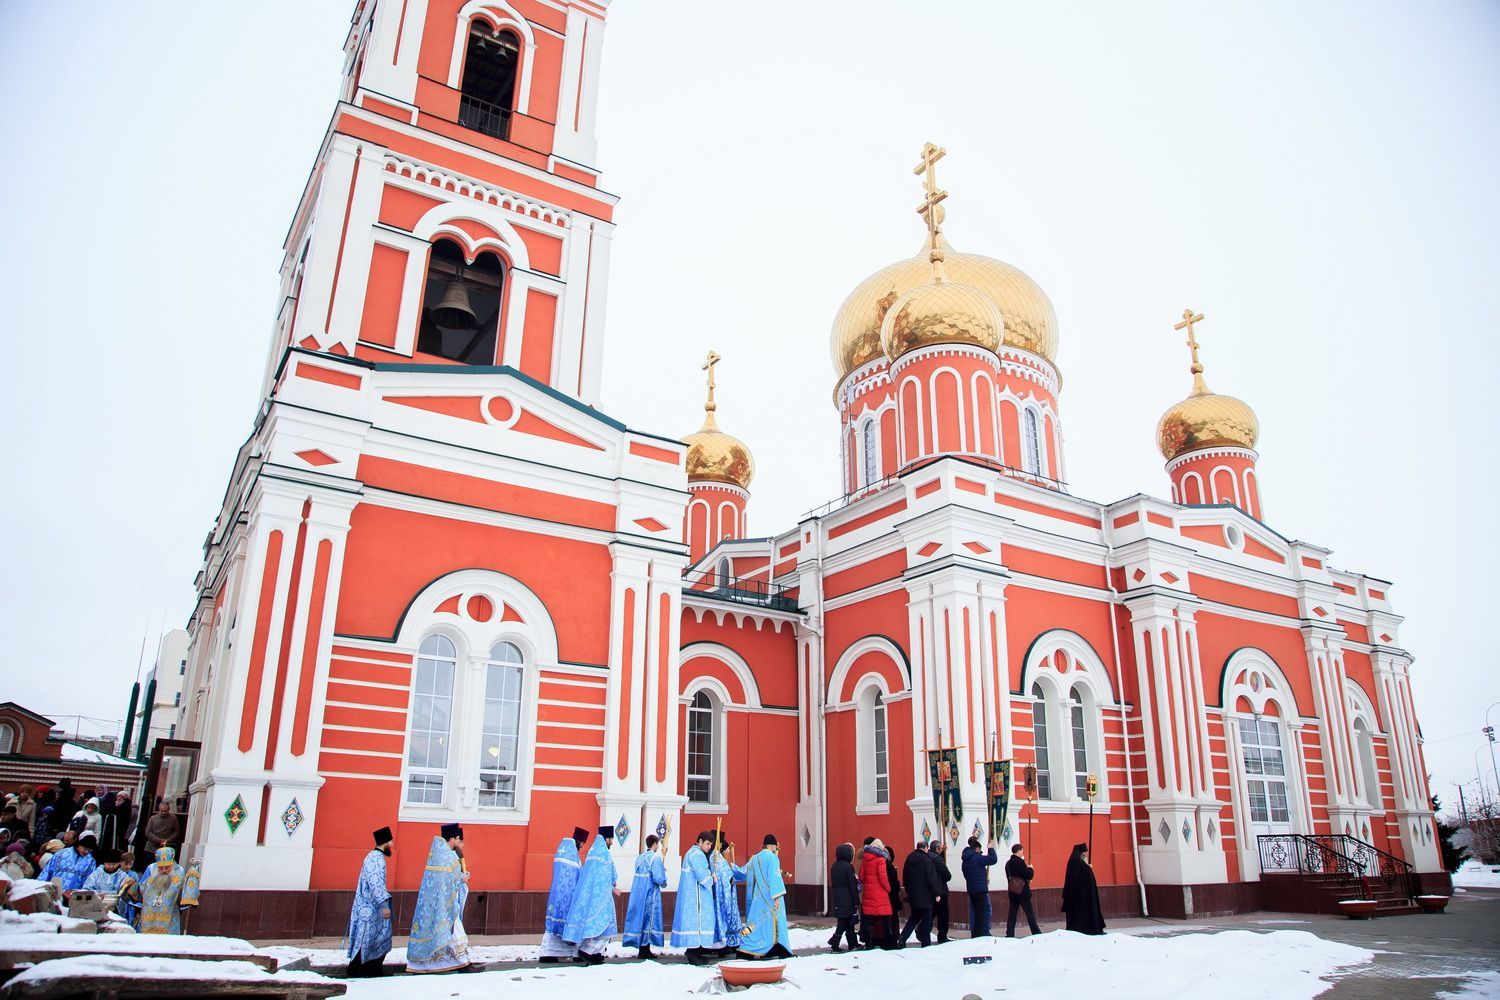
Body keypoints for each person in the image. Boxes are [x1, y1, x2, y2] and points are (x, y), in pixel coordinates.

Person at [406, 823, 470, 972]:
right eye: (458, 838)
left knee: (439, 932)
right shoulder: (449, 856)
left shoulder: (437, 853)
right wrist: (463, 878)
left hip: (432, 902)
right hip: (445, 903)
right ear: (452, 838)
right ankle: (461, 962)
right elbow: (453, 878)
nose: (459, 841)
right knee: (455, 932)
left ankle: (429, 963)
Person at [562, 825, 620, 964]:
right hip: (601, 898)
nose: (612, 841)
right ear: (607, 839)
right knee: (604, 925)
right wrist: (613, 886)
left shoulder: (592, 853)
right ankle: (588, 951)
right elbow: (610, 874)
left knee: (590, 926)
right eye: (611, 839)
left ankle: (591, 953)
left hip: (588, 897)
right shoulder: (604, 854)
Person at [346, 826, 395, 978]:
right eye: (391, 841)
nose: (392, 844)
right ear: (385, 842)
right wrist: (384, 905)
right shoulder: (375, 859)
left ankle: (370, 969)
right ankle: (360, 970)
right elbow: (376, 883)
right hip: (370, 909)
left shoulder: (374, 857)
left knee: (376, 939)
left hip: (370, 908)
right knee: (366, 940)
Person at [540, 827, 589, 962]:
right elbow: (577, 876)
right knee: (571, 924)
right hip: (568, 898)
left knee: (553, 925)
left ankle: (547, 953)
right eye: (583, 844)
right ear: (579, 842)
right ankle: (574, 954)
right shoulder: (573, 856)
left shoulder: (561, 852)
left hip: (555, 896)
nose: (583, 847)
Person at [739, 834, 791, 960]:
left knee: (758, 923)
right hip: (771, 896)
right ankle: (779, 949)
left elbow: (744, 872)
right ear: (773, 845)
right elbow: (775, 877)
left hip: (758, 896)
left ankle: (749, 948)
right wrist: (777, 897)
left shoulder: (755, 858)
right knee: (775, 923)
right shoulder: (773, 858)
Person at [671, 831, 719, 965]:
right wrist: (712, 878)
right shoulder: (697, 854)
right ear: (700, 841)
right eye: (707, 844)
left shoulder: (691, 852)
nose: (709, 847)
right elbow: (703, 877)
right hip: (696, 896)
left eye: (710, 844)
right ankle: (692, 952)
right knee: (698, 922)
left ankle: (696, 951)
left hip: (691, 894)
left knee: (695, 922)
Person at [129, 846, 201, 934]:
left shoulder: (179, 871)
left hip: (169, 920)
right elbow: (140, 889)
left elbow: (185, 894)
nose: (164, 871)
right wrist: (131, 883)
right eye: (161, 868)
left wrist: (191, 884)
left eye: (167, 868)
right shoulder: (151, 868)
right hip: (148, 919)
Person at [623, 834, 668, 959]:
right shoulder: (655, 858)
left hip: (638, 893)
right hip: (650, 894)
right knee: (649, 920)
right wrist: (663, 876)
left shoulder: (640, 858)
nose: (658, 847)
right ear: (654, 844)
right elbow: (658, 878)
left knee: (640, 919)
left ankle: (642, 948)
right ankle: (645, 949)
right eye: (657, 844)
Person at [898, 842, 943, 947]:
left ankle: (903, 936)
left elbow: (905, 878)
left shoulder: (909, 859)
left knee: (914, 917)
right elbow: (931, 879)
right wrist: (937, 893)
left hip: (914, 895)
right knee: (927, 920)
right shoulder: (926, 860)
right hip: (926, 896)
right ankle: (926, 943)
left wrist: (909, 892)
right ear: (926, 848)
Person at [710, 836, 746, 955]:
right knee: (722, 917)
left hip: (727, 892)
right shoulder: (715, 857)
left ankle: (729, 943)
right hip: (722, 894)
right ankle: (721, 945)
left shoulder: (718, 857)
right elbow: (723, 875)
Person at [1061, 843, 1105, 935]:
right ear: (1081, 852)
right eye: (1085, 852)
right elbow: (1085, 876)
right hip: (1080, 896)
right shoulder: (1078, 862)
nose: (1086, 854)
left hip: (1077, 896)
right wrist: (1088, 868)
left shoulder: (1075, 861)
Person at [961, 836, 999, 937]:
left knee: (974, 911)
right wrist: (990, 848)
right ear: (977, 848)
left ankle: (975, 932)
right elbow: (993, 859)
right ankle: (983, 932)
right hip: (981, 889)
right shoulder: (977, 858)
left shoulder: (965, 861)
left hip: (971, 889)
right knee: (983, 912)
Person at [857, 840, 892, 949]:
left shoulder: (865, 860)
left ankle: (868, 944)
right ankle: (888, 944)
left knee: (868, 921)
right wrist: (888, 889)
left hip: (868, 894)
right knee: (886, 920)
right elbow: (883, 878)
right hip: (881, 894)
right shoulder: (880, 860)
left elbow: (861, 877)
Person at [39, 832, 97, 896]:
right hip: (54, 893)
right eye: (85, 849)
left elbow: (88, 882)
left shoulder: (91, 861)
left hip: (73, 897)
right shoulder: (61, 854)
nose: (87, 852)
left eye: (89, 850)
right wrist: (39, 888)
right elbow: (47, 871)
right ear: (79, 845)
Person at [827, 842, 860, 953]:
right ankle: (835, 943)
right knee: (843, 922)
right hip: (847, 899)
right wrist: (856, 901)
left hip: (838, 897)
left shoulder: (834, 866)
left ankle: (852, 944)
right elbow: (852, 885)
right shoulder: (848, 867)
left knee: (846, 922)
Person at [1004, 843, 1042, 937]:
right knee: (1029, 913)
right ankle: (1036, 932)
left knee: (1012, 914)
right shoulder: (1020, 862)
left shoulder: (1008, 863)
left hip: (1013, 892)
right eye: (1022, 851)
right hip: (1023, 892)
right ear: (1019, 851)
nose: (1022, 853)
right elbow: (1028, 875)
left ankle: (1009, 934)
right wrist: (1031, 869)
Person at [928, 840, 952, 943]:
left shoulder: (927, 856)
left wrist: (942, 853)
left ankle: (922, 930)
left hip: (930, 890)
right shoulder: (937, 859)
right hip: (940, 890)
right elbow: (947, 875)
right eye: (940, 848)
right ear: (937, 849)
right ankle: (942, 936)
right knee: (943, 916)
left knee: (932, 913)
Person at [883, 843, 903, 946]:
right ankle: (892, 940)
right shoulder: (889, 867)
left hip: (885, 897)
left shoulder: (882, 865)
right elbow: (894, 884)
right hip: (891, 898)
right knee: (893, 920)